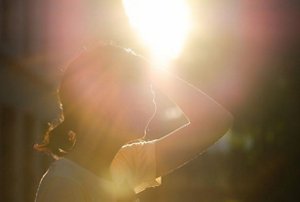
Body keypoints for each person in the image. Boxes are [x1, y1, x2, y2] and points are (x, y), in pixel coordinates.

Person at [34, 44, 233, 202]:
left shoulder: (125, 162)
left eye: (149, 88)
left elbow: (216, 121)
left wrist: (149, 67)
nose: (150, 100)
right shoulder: (64, 184)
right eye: (139, 87)